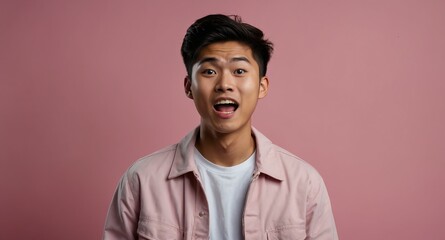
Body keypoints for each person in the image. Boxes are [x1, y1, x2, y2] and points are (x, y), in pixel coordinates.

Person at [103, 14, 338, 240]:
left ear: (262, 86)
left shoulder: (304, 183)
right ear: (188, 86)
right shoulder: (142, 180)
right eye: (209, 71)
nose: (224, 84)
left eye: (239, 71)